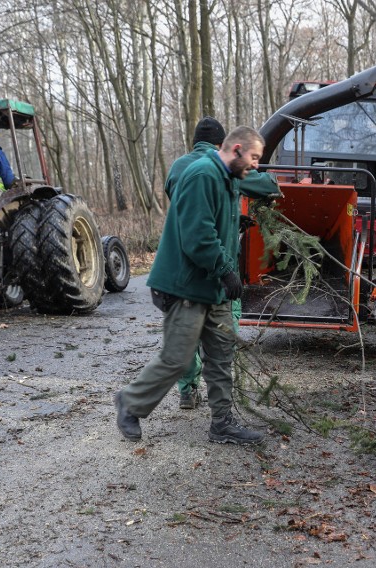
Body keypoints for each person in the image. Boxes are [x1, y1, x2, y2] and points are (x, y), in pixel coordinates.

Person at [114, 126, 267, 445]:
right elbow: (198, 236)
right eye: (254, 157)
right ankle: (129, 404)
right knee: (178, 358)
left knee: (221, 353)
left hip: (212, 288)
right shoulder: (202, 175)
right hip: (185, 287)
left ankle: (222, 423)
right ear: (236, 149)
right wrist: (227, 270)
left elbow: (217, 221)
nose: (255, 165)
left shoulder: (228, 179)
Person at [165, 117, 280, 410]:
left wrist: (230, 216)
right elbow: (262, 186)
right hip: (214, 263)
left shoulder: (178, 166)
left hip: (179, 265)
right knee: (223, 327)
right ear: (222, 145)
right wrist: (272, 184)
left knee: (185, 334)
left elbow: (190, 210)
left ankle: (187, 391)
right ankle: (224, 398)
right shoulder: (217, 165)